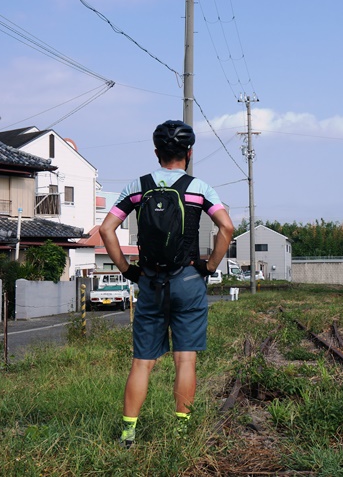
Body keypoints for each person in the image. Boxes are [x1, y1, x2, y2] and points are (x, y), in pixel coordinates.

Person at [100, 120, 234, 448]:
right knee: (185, 359)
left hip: (150, 281)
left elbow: (106, 230)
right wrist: (209, 266)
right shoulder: (200, 188)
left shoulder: (138, 186)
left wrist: (128, 270)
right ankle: (180, 432)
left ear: (157, 152)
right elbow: (226, 228)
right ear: (189, 153)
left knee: (142, 362)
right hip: (188, 279)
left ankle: (128, 434)